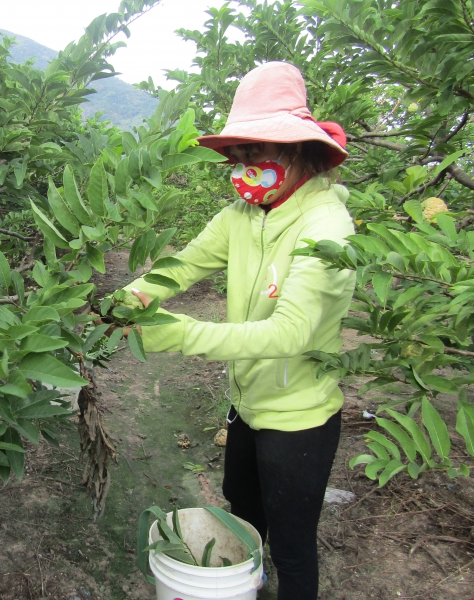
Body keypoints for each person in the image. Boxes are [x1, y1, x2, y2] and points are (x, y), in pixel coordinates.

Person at [120, 62, 355, 600]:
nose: (246, 169)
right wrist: (126, 299)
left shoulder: (328, 229)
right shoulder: (240, 215)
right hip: (246, 406)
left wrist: (177, 333)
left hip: (299, 420)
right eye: (240, 156)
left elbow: (289, 333)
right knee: (243, 517)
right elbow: (183, 264)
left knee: (293, 545)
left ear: (300, 150)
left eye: (259, 153)